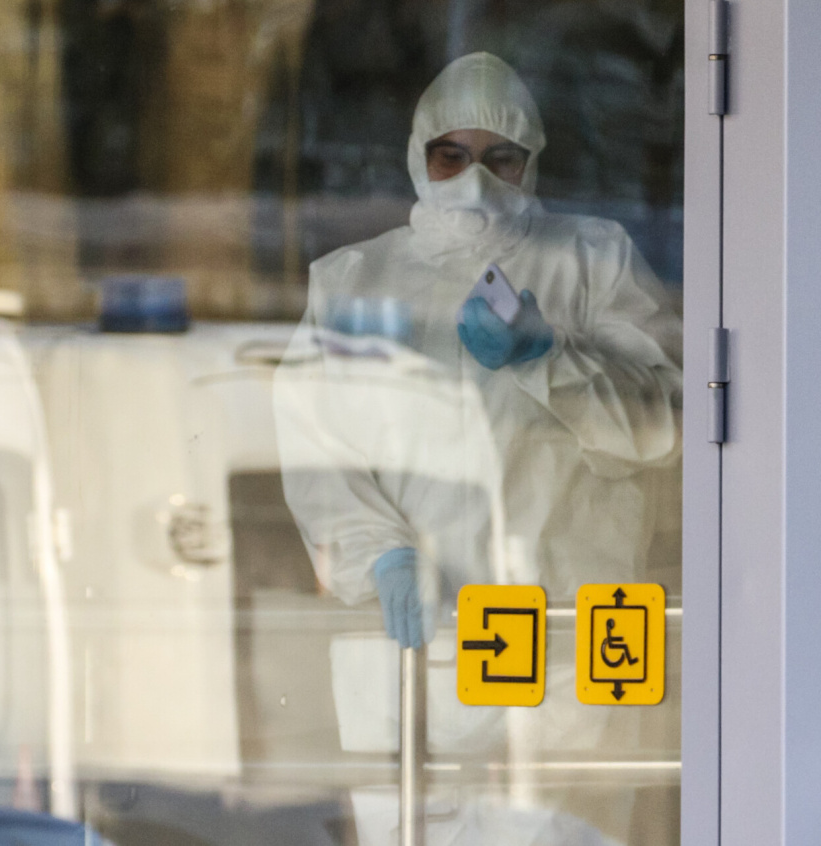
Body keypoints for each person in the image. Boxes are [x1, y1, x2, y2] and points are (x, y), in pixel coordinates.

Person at [273, 51, 682, 843]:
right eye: (451, 155)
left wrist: (550, 359)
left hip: (567, 648)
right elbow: (316, 445)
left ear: (533, 163)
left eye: (502, 158)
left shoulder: (593, 261)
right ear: (417, 156)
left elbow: (663, 426)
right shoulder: (354, 281)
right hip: (412, 652)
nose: (475, 179)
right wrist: (379, 552)